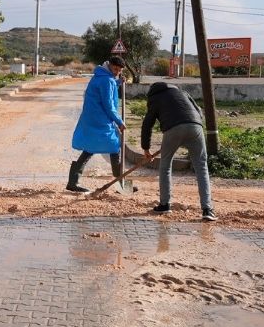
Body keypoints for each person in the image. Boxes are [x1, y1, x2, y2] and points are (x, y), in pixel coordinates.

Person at [141, 81, 216, 221]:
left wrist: (146, 148)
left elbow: (147, 124)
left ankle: (165, 205)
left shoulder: (154, 98)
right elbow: (199, 111)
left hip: (172, 129)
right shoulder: (182, 92)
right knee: (201, 167)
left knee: (165, 166)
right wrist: (193, 125)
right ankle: (207, 209)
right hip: (195, 126)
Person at [66, 56, 126, 192]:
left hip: (92, 118)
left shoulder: (100, 75)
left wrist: (117, 82)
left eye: (119, 70)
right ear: (110, 65)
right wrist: (119, 121)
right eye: (115, 69)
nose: (117, 72)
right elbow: (109, 105)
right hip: (100, 119)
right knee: (115, 147)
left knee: (89, 148)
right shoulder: (107, 80)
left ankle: (72, 182)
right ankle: (121, 183)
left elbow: (103, 91)